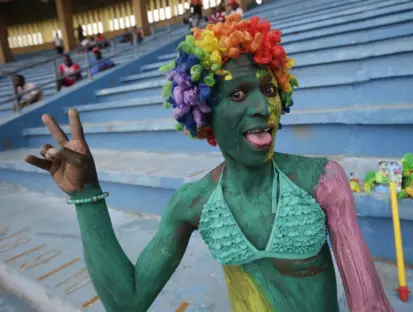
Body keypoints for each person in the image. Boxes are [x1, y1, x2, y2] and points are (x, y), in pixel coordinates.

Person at [24, 15, 394, 312]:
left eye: (268, 90)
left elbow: (369, 301)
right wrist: (87, 195)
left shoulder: (323, 181)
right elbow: (127, 301)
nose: (262, 107)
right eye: (237, 94)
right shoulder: (193, 203)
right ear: (204, 114)